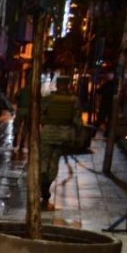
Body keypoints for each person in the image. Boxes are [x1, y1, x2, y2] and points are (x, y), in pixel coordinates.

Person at [38, 76, 84, 211]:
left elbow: (39, 113)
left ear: (57, 85)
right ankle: (46, 185)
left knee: (44, 159)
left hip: (47, 133)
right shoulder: (73, 100)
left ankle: (43, 180)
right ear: (68, 85)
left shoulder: (48, 98)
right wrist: (79, 135)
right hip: (63, 135)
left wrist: (43, 123)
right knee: (55, 160)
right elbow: (77, 120)